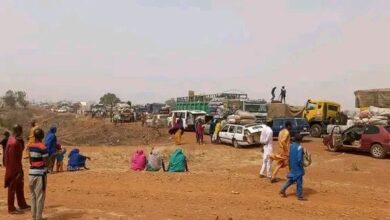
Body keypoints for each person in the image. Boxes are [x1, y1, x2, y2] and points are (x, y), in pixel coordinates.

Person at [4, 124, 30, 214]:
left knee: (19, 186)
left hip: (16, 167)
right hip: (14, 169)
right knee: (12, 188)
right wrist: (18, 171)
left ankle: (22, 204)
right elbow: (12, 159)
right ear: (19, 131)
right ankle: (11, 208)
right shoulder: (14, 143)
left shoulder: (13, 140)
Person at [28, 128, 49, 220]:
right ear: (42, 136)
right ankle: (39, 217)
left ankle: (33, 217)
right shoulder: (43, 147)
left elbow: (30, 160)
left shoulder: (30, 146)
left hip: (31, 173)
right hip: (40, 174)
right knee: (40, 196)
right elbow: (46, 162)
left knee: (33, 196)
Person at [279, 134, 306, 201]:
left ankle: (282, 189)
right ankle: (299, 195)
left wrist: (290, 165)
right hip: (298, 167)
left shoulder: (291, 146)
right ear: (301, 140)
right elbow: (299, 159)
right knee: (299, 181)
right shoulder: (300, 147)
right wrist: (302, 167)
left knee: (291, 179)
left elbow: (290, 155)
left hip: (292, 165)